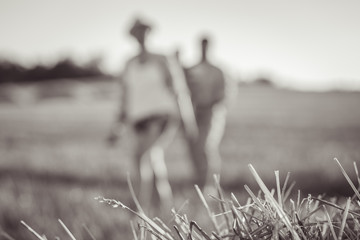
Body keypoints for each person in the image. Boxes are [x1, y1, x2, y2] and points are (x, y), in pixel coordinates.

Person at [107, 18, 191, 211]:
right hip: (137, 120)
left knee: (140, 157)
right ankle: (165, 207)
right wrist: (116, 127)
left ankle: (138, 208)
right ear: (132, 36)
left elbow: (179, 91)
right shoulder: (128, 63)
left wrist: (187, 121)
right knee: (153, 159)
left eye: (144, 31)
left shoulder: (162, 59)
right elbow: (125, 98)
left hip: (161, 116)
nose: (140, 35)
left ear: (149, 33)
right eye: (137, 32)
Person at [185, 36, 227, 190]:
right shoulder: (191, 69)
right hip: (193, 114)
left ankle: (210, 184)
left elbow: (223, 95)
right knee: (194, 148)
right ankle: (198, 181)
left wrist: (207, 105)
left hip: (211, 114)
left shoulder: (218, 71)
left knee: (206, 147)